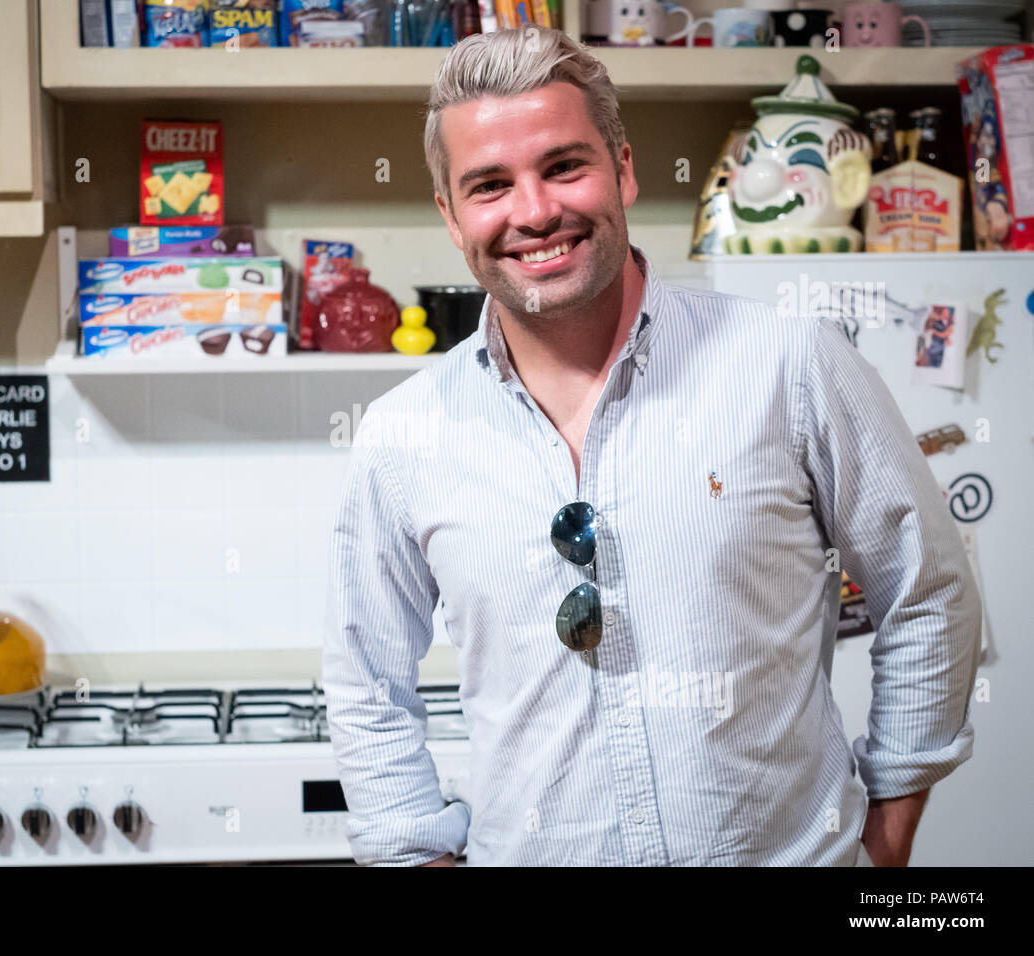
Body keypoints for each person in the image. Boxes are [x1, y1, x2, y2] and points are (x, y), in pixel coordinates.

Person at [322, 25, 981, 867]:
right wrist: (416, 853)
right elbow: (365, 678)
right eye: (490, 185)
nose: (534, 212)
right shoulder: (402, 433)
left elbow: (927, 587)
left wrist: (887, 833)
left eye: (564, 165)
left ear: (624, 168)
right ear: (452, 217)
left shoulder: (790, 362)